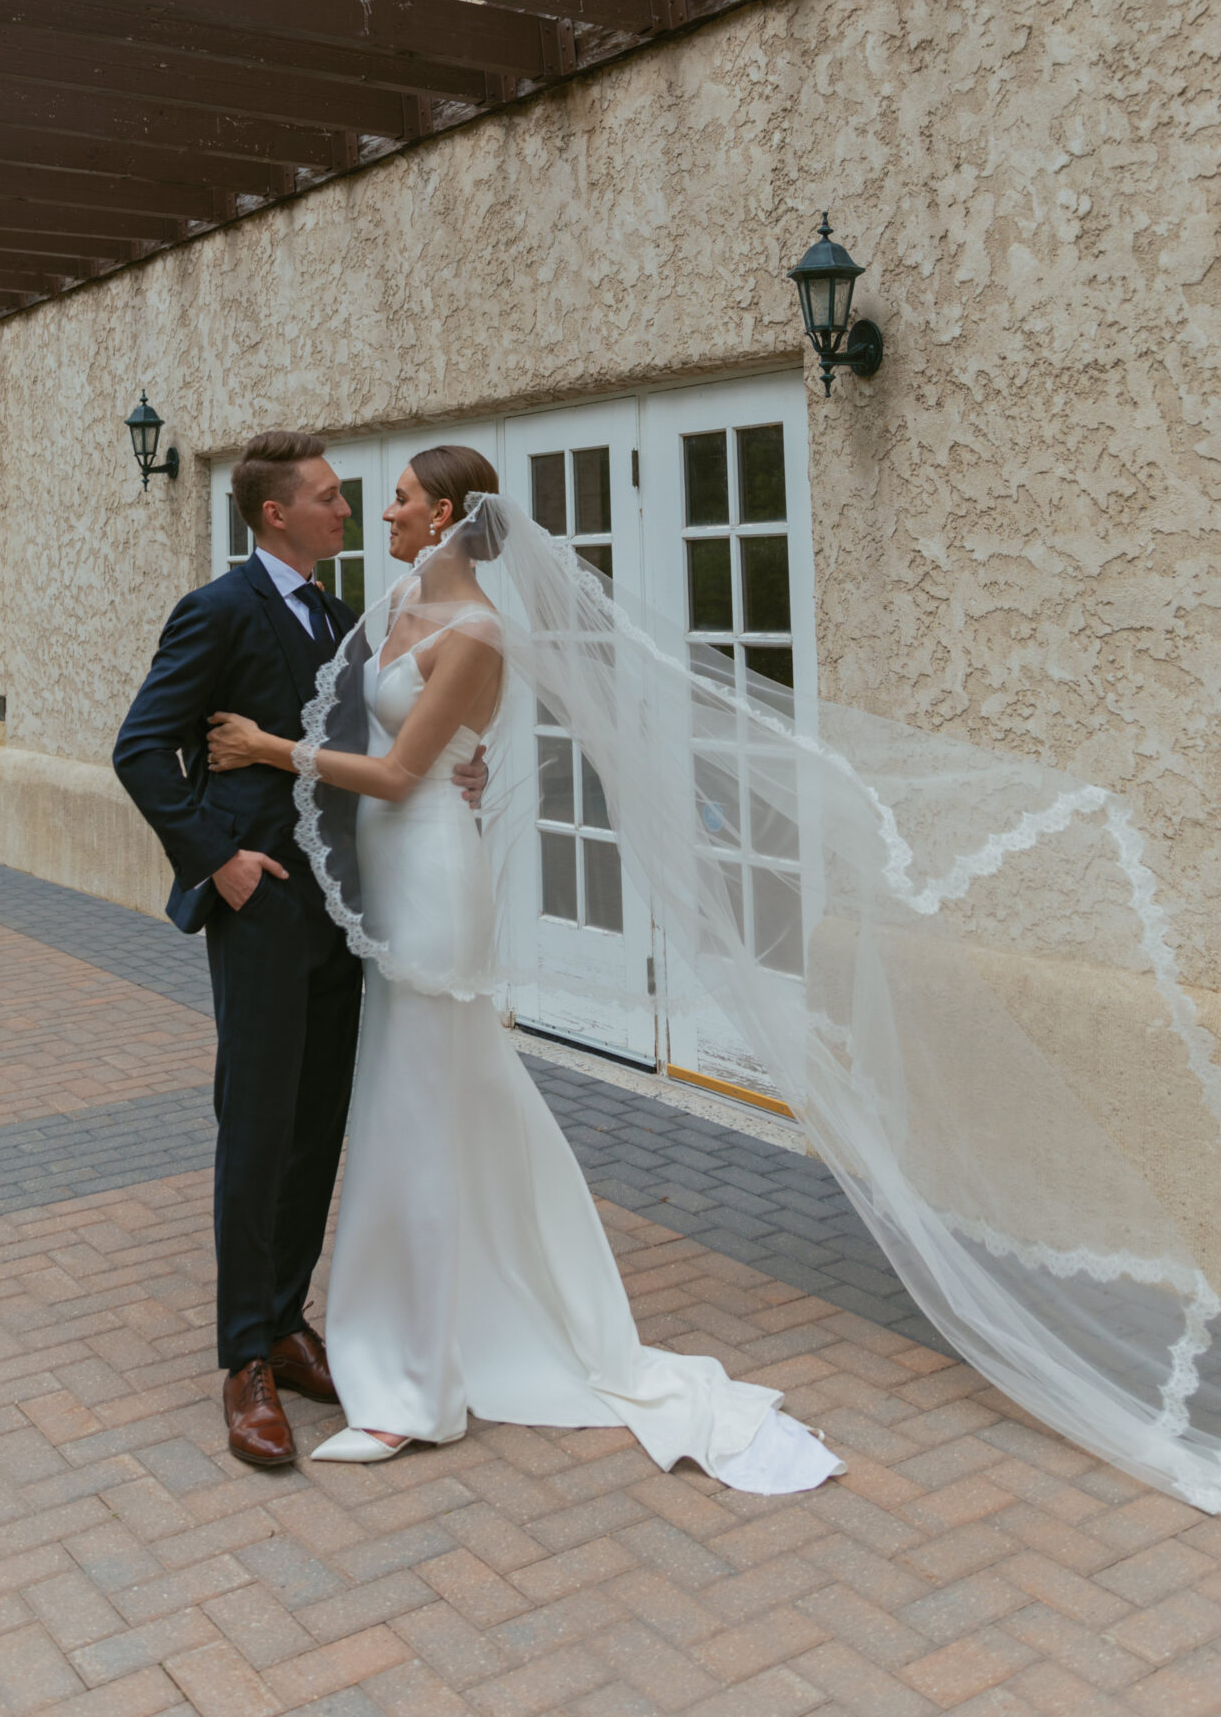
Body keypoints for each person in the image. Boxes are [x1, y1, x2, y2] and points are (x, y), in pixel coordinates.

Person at [207, 446, 845, 1492]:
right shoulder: (402, 595)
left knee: (419, 1109)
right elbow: (392, 723)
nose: (383, 511)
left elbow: (406, 770)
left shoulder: (480, 629)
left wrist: (270, 749)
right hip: (385, 878)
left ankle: (418, 1385)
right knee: (423, 1105)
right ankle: (425, 1320)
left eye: (402, 497)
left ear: (446, 510)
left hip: (433, 881)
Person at [114, 430, 485, 1471]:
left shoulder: (339, 611)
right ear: (276, 513)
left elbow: (379, 740)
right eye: (328, 496)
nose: (347, 509)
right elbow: (141, 747)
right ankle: (243, 1360)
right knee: (258, 1120)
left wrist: (466, 761)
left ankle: (287, 1317)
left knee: (318, 1120)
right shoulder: (218, 610)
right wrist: (216, 859)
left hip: (349, 905)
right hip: (265, 903)